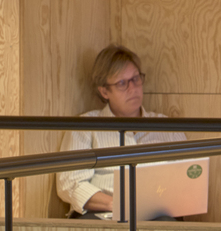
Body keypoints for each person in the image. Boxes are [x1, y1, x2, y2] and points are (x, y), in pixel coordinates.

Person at [58, 44, 172, 217]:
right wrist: (117, 204)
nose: (132, 88)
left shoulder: (167, 127)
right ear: (104, 91)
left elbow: (188, 177)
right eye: (122, 83)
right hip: (101, 217)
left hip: (156, 216)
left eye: (135, 78)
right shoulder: (85, 126)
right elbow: (70, 183)